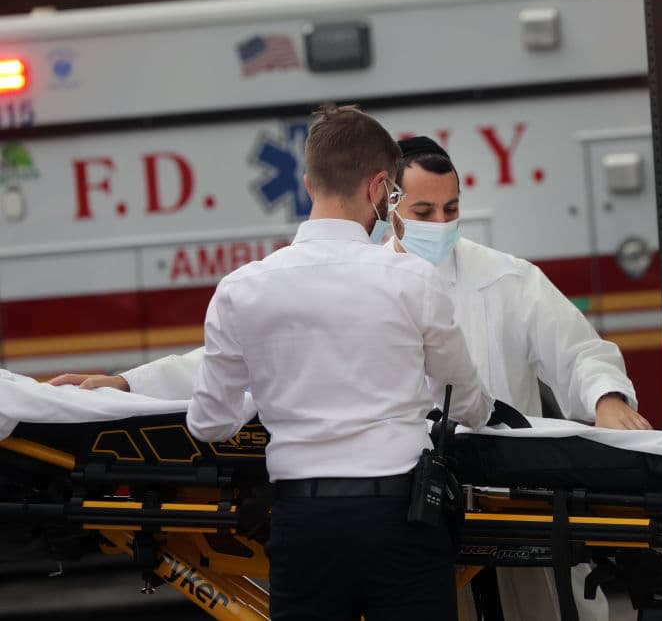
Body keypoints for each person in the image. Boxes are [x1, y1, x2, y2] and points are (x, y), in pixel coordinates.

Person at [51, 135, 650, 620]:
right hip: (412, 510)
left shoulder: (508, 280)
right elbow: (219, 363)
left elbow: (578, 351)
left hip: (500, 511)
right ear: (387, 200)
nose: (439, 224)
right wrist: (128, 384)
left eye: (451, 211)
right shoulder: (371, 282)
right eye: (423, 211)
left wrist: (607, 397)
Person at [186, 105, 494, 621]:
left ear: (309, 183)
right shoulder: (412, 280)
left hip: (301, 523)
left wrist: (260, 398)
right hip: (402, 519)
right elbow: (465, 401)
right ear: (378, 188)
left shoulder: (241, 290)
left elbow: (209, 424)